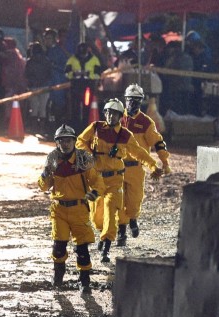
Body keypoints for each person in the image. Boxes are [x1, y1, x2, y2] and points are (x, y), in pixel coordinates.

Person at [76, 99, 163, 262]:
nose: (110, 116)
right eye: (108, 112)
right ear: (105, 113)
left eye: (114, 113)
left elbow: (139, 152)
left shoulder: (125, 135)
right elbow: (80, 141)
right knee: (97, 217)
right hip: (97, 180)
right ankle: (103, 234)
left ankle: (106, 248)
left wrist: (153, 165)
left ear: (120, 116)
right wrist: (88, 155)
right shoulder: (95, 127)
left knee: (111, 210)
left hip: (115, 180)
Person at [38, 124, 104, 293]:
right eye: (62, 141)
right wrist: (45, 174)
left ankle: (85, 283)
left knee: (82, 248)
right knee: (58, 248)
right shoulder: (52, 160)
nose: (65, 144)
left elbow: (97, 181)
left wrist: (94, 193)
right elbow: (44, 187)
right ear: (57, 143)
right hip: (59, 210)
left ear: (74, 141)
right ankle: (58, 279)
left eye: (68, 141)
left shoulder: (83, 160)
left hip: (78, 209)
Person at [117, 84, 171, 246]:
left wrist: (165, 162)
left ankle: (133, 219)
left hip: (136, 167)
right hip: (118, 168)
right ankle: (121, 232)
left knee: (134, 200)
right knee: (118, 201)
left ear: (140, 102)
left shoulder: (146, 123)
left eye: (135, 101)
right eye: (129, 100)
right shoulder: (117, 119)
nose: (132, 104)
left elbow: (158, 142)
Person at [65, 42, 102, 133]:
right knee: (75, 107)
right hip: (76, 86)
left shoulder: (94, 59)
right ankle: (75, 127)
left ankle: (86, 126)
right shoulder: (72, 59)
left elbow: (98, 74)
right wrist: (74, 74)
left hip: (88, 86)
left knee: (87, 107)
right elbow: (66, 72)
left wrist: (89, 75)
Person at [43, 28, 70, 131]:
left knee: (58, 107)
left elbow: (65, 67)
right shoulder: (48, 51)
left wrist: (54, 66)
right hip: (50, 83)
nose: (47, 41)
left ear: (54, 39)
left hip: (58, 83)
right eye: (45, 38)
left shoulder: (59, 51)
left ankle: (57, 128)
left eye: (49, 38)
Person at [24, 42, 53, 134]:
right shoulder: (46, 61)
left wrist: (32, 82)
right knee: (43, 108)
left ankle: (34, 128)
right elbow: (50, 74)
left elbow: (26, 75)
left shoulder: (30, 62)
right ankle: (42, 128)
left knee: (34, 107)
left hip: (34, 87)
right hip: (44, 87)